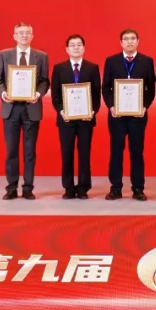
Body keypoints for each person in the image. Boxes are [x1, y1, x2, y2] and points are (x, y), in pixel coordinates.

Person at [0, 22, 49, 200]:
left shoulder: (41, 56)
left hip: (31, 108)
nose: (24, 35)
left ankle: (28, 188)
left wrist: (37, 94)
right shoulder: (4, 55)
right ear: (15, 36)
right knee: (11, 150)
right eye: (21, 33)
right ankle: (11, 187)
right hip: (11, 109)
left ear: (32, 36)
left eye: (28, 33)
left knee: (29, 151)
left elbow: (44, 81)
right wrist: (4, 94)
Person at [102, 28, 156, 201]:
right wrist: (111, 106)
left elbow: (151, 88)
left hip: (138, 116)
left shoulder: (146, 61)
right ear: (121, 42)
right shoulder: (111, 61)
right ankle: (115, 188)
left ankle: (138, 188)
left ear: (138, 41)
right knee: (116, 151)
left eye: (133, 38)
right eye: (126, 39)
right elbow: (106, 87)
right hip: (116, 115)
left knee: (137, 152)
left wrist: (145, 106)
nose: (130, 41)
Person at [50, 34, 101, 199]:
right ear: (67, 49)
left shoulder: (92, 68)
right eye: (72, 45)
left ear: (84, 48)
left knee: (84, 154)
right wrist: (61, 111)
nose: (76, 47)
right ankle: (69, 188)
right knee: (67, 153)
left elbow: (96, 93)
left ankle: (83, 188)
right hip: (66, 119)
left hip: (86, 119)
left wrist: (92, 111)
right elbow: (55, 94)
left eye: (79, 45)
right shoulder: (59, 68)